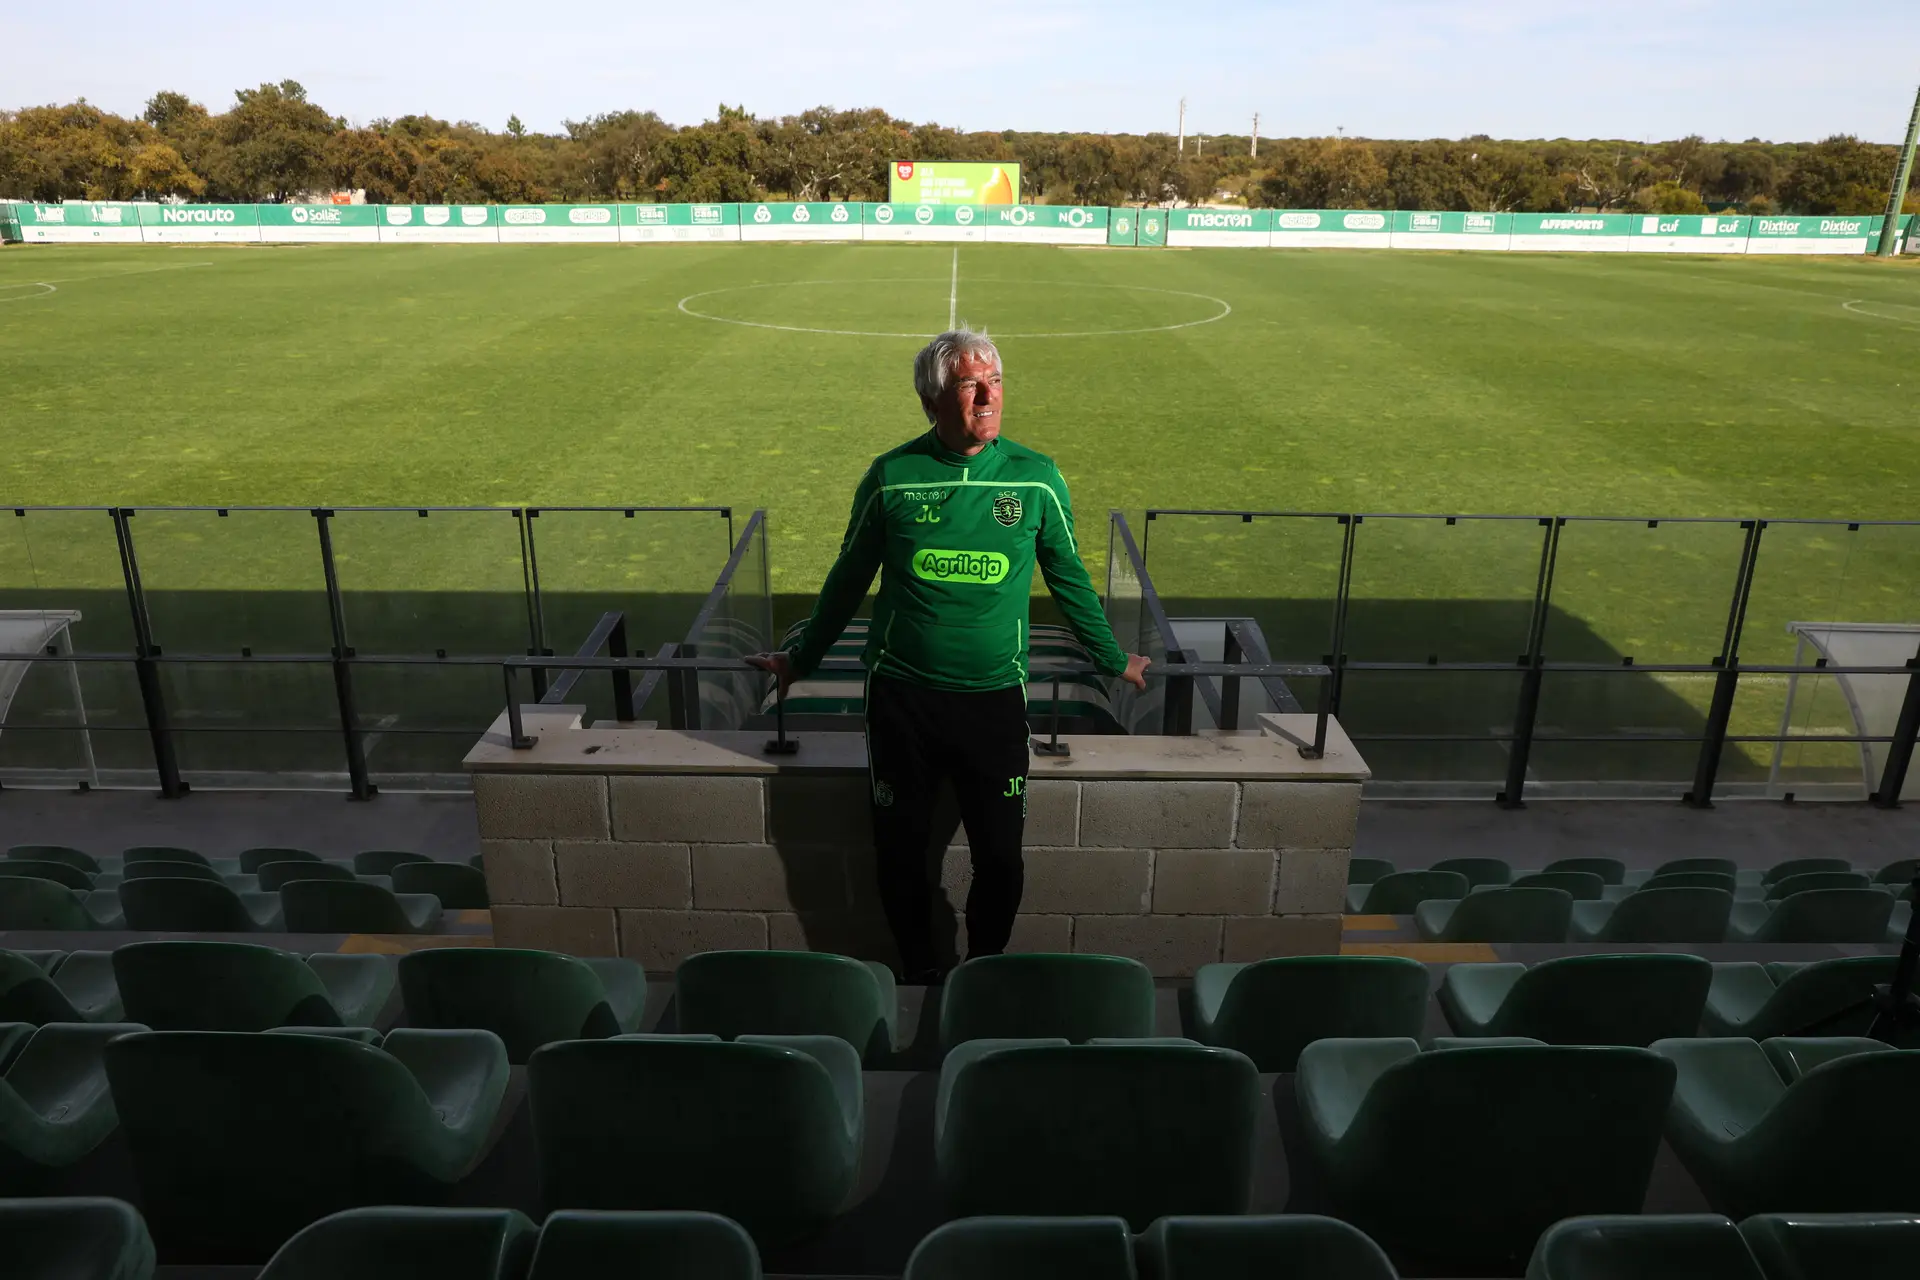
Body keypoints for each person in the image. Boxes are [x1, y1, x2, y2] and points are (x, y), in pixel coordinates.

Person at [749, 328, 1149, 983]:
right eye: (970, 385)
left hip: (993, 705)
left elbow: (1069, 578)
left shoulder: (1037, 479)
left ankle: (983, 973)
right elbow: (848, 578)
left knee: (1002, 860)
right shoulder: (892, 476)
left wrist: (1112, 658)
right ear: (932, 401)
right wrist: (802, 658)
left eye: (996, 382)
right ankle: (920, 975)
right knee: (901, 859)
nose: (989, 396)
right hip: (902, 704)